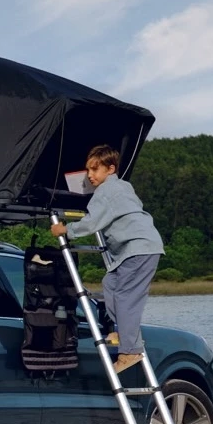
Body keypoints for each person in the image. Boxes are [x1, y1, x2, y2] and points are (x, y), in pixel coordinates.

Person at [51, 144, 164, 374]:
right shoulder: (123, 187)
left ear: (110, 169)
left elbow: (93, 222)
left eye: (95, 170)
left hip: (138, 248)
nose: (90, 175)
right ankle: (123, 333)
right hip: (138, 248)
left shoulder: (106, 191)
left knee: (125, 298)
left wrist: (66, 230)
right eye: (88, 170)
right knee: (110, 284)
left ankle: (130, 350)